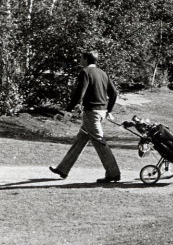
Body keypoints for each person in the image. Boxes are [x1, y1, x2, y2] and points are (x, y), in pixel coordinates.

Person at [48, 51, 122, 184]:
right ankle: (63, 169)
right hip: (100, 112)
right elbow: (114, 92)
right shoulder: (102, 73)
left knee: (100, 142)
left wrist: (68, 110)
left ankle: (113, 173)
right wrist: (108, 110)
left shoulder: (85, 72)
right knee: (80, 140)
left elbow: (79, 94)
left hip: (91, 113)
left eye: (81, 58)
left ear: (86, 60)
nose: (80, 60)